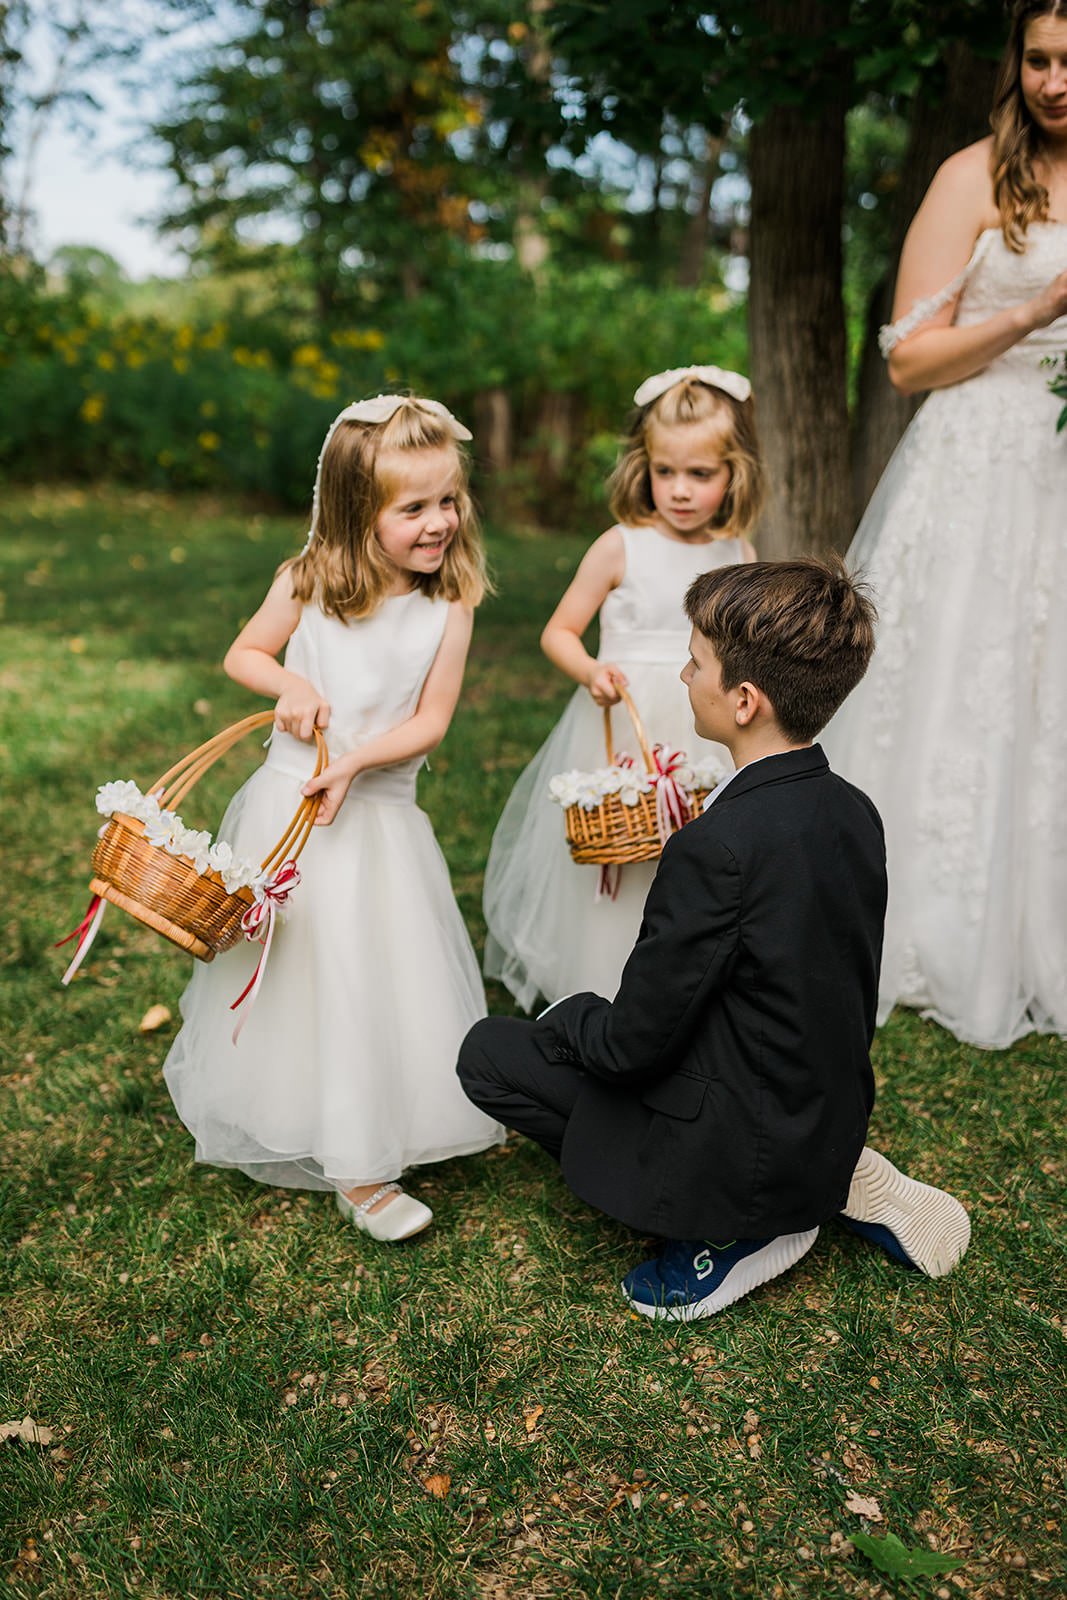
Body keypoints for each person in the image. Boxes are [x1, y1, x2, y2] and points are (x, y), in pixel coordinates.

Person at [459, 559, 971, 1319]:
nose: (680, 672)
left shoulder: (716, 846)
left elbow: (634, 1046)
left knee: (489, 1053)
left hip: (740, 1141)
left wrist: (568, 1019)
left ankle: (731, 1232)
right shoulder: (851, 809)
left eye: (694, 662)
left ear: (742, 700)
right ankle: (821, 1169)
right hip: (822, 1102)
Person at [163, 397, 503, 1242]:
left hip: (379, 817)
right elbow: (246, 652)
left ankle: (365, 1153)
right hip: (295, 814)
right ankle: (322, 1131)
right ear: (358, 512)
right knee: (301, 973)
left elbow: (431, 720)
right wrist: (294, 687)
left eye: (448, 501)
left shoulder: (447, 604)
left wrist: (358, 758)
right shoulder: (307, 582)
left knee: (372, 975)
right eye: (414, 508)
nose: (439, 523)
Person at [821, 0, 1067, 1049]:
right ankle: (923, 920)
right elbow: (907, 359)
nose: (1053, 81)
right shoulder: (972, 176)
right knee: (959, 678)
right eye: (1038, 60)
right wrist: (1030, 312)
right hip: (977, 458)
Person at [483, 365, 762, 1011]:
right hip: (623, 726)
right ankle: (602, 978)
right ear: (644, 468)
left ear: (734, 472)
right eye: (666, 472)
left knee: (693, 853)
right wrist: (589, 671)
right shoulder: (620, 546)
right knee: (620, 851)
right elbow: (559, 630)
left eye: (701, 474)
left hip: (703, 732)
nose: (681, 491)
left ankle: (685, 977)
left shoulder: (736, 552)